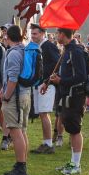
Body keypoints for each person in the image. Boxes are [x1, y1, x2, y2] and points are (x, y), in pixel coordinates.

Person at [45, 28, 87, 175]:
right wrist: (50, 82)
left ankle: (76, 165)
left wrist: (61, 80)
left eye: (58, 34)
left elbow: (81, 76)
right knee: (70, 128)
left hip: (75, 96)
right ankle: (72, 162)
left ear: (63, 35)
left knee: (75, 130)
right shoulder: (67, 50)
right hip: (66, 95)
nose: (56, 36)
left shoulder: (75, 51)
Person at [0, 25, 30, 175]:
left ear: (7, 36)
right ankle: (22, 164)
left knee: (15, 132)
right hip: (25, 94)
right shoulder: (25, 50)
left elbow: (13, 78)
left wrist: (6, 96)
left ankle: (20, 167)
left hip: (15, 97)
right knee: (22, 131)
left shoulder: (13, 54)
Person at [29, 24, 61, 155]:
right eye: (32, 34)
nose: (32, 36)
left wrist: (47, 82)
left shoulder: (49, 46)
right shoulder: (38, 47)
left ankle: (48, 144)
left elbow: (56, 65)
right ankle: (46, 142)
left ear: (42, 33)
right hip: (39, 84)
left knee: (44, 113)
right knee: (42, 114)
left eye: (35, 33)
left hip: (47, 85)